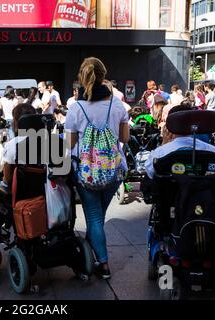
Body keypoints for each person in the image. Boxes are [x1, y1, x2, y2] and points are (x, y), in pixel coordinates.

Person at [65, 57, 130, 280]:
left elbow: (69, 144)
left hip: (87, 174)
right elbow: (124, 137)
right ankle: (92, 252)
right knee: (98, 218)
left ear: (82, 79)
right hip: (113, 171)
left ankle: (102, 263)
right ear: (104, 75)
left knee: (93, 218)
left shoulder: (76, 108)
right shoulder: (118, 105)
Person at [145, 104, 215, 179]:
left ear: (169, 125)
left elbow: (150, 173)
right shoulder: (213, 152)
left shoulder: (160, 153)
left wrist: (164, 144)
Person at [0, 103, 37, 193]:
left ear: (16, 122)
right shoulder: (52, 140)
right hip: (48, 193)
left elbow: (7, 179)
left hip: (23, 195)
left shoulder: (12, 145)